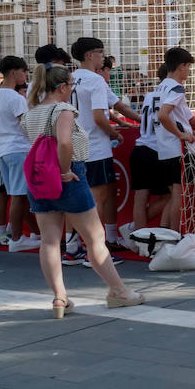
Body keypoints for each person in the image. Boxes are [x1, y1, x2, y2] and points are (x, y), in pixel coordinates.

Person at [21, 64, 144, 317]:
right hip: (69, 175)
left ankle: (59, 297)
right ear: (63, 87)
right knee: (95, 238)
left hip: (39, 178)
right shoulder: (63, 109)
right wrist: (65, 170)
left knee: (50, 240)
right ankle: (118, 290)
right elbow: (64, 142)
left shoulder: (32, 111)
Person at [70, 38, 142, 253]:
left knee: (89, 196)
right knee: (96, 200)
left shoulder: (70, 78)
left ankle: (78, 245)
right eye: (100, 52)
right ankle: (94, 249)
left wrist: (141, 119)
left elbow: (116, 105)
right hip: (94, 147)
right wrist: (115, 133)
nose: (103, 56)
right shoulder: (95, 80)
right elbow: (99, 118)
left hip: (74, 146)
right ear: (90, 55)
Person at [0, 55, 40, 250]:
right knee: (19, 196)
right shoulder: (15, 98)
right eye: (23, 71)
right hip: (18, 149)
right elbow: (26, 124)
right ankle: (17, 238)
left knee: (16, 195)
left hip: (2, 151)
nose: (25, 75)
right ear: (14, 72)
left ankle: (24, 235)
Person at [148, 48, 195, 230]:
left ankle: (165, 236)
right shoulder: (176, 88)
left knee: (173, 196)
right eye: (188, 67)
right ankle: (175, 237)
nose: (189, 71)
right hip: (178, 150)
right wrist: (181, 135)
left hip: (164, 148)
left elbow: (179, 120)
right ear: (182, 66)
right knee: (179, 197)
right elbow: (163, 115)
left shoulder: (160, 87)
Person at [130, 64, 174, 231]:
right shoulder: (172, 94)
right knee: (172, 195)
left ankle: (138, 236)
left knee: (140, 199)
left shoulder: (149, 95)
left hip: (140, 148)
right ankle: (155, 233)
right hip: (157, 150)